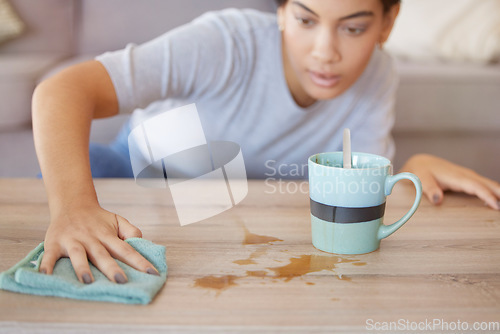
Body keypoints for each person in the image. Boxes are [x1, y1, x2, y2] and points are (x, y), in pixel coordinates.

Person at [32, 0, 500, 285]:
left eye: (353, 27)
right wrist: (73, 206)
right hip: (143, 172)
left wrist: (412, 166)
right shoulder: (226, 41)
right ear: (281, 10)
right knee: (50, 194)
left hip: (240, 214)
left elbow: (353, 181)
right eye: (305, 20)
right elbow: (61, 91)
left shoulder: (378, 76)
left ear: (388, 23)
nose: (325, 51)